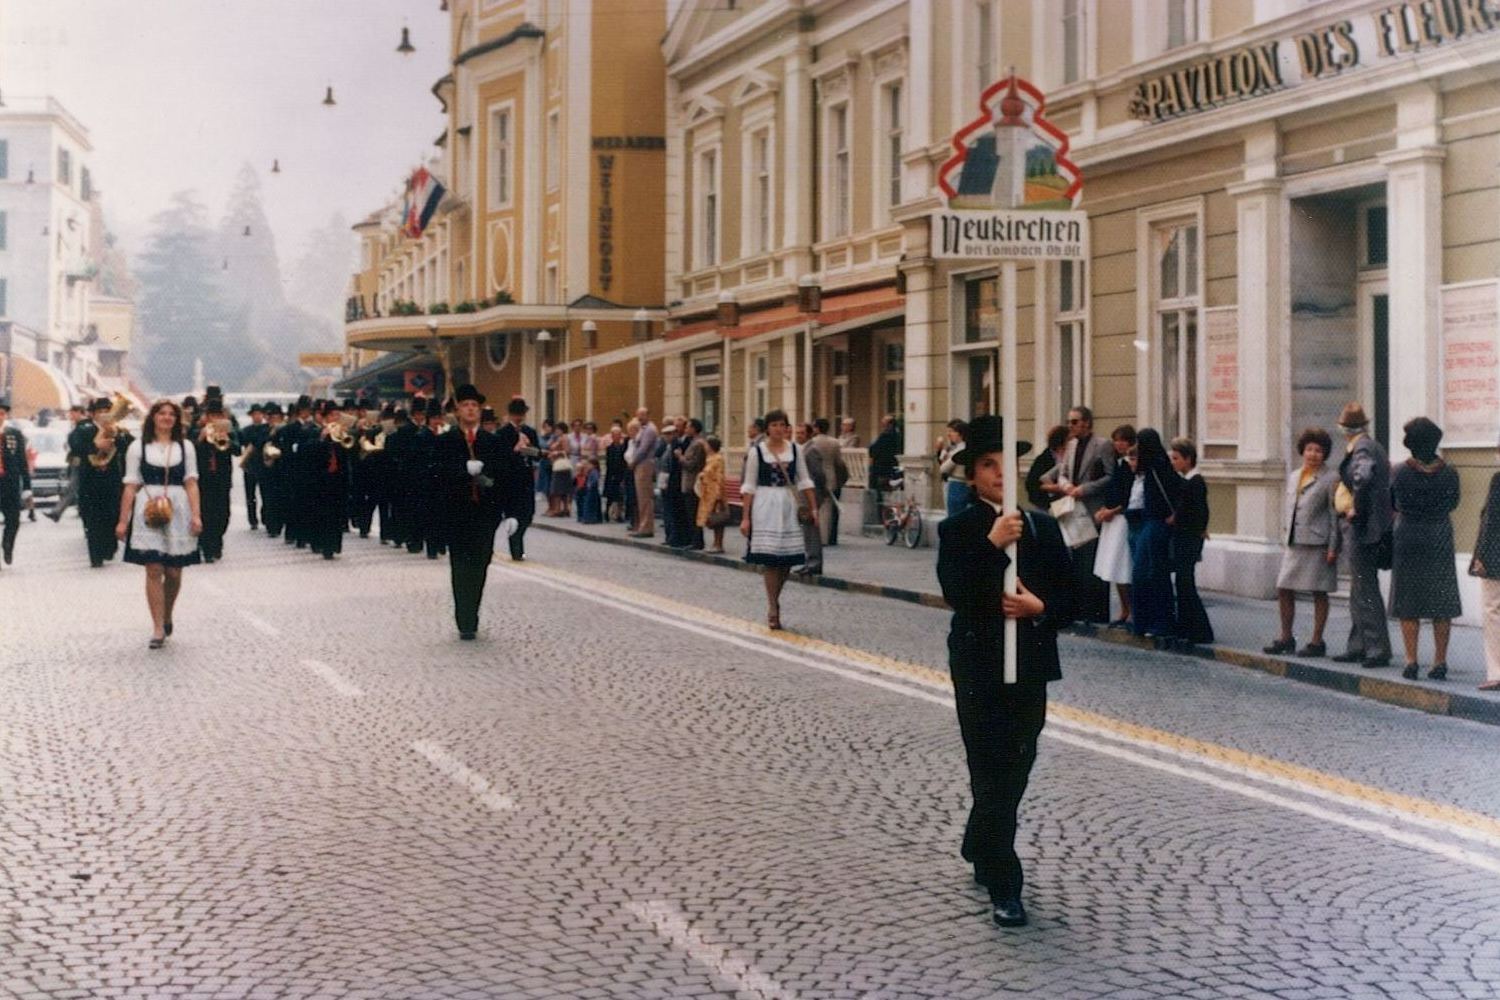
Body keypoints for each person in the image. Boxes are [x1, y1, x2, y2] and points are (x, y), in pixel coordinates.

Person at [935, 414, 1073, 929]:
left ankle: (979, 838)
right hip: (978, 662)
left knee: (1017, 763)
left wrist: (1041, 608)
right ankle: (1005, 882)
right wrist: (990, 543)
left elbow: (1073, 598)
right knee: (990, 766)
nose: (998, 474)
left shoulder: (1041, 525)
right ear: (971, 477)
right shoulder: (959, 529)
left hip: (1031, 662)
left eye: (1004, 465)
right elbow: (956, 592)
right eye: (987, 466)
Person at [116, 400, 202, 648]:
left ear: (176, 419)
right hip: (148, 507)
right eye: (161, 413)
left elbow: (192, 483)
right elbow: (130, 485)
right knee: (154, 568)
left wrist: (196, 515)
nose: (166, 418)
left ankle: (167, 614)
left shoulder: (186, 447)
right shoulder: (138, 447)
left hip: (178, 508)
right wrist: (123, 521)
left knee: (174, 571)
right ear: (152, 417)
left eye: (171, 414)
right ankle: (156, 627)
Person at [1388, 417, 1462, 680]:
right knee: (1441, 601)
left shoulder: (1399, 472)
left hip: (1408, 535)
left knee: (1409, 601)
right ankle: (1439, 661)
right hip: (1440, 535)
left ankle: (1411, 660)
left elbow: (1393, 502)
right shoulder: (1450, 472)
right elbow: (1454, 503)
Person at [434, 385, 504, 640]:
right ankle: (465, 620)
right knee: (460, 566)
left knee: (480, 565)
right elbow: (436, 474)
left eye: (475, 405)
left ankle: (472, 609)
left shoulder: (492, 442)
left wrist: (509, 511)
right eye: (466, 405)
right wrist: (463, 470)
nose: (471, 409)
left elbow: (505, 476)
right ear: (458, 410)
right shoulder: (446, 441)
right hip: (457, 514)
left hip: (485, 515)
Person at [1265, 428, 1341, 658]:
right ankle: (1286, 638)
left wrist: (1333, 547)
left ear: (1325, 453)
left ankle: (1317, 642)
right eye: (1309, 449)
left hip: (1318, 545)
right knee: (1283, 588)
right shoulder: (1295, 476)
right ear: (1302, 451)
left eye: (1318, 450)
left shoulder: (1331, 477)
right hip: (1295, 542)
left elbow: (1333, 513)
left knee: (1319, 592)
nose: (1313, 454)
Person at [1038, 407, 1116, 624]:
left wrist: (1085, 489)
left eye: (1074, 422)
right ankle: (1079, 610)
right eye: (1069, 421)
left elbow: (1111, 476)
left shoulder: (1102, 445)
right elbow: (1061, 472)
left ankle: (1097, 613)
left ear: (1087, 423)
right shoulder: (1071, 445)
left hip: (1092, 508)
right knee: (1076, 560)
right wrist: (1066, 485)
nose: (1070, 426)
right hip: (1071, 507)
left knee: (1092, 561)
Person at [1331, 403, 1394, 668]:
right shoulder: (1367, 444)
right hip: (1367, 525)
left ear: (1344, 428)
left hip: (1362, 526)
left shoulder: (1362, 447)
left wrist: (1357, 505)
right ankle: (1359, 645)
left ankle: (1377, 648)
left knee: (1364, 586)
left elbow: (1363, 476)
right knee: (1359, 587)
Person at [740, 409, 816, 630]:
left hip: (788, 504)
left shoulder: (795, 450)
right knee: (771, 559)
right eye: (774, 425)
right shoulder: (758, 452)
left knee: (787, 560)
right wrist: (745, 518)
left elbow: (804, 479)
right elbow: (749, 486)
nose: (779, 429)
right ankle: (773, 606)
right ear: (767, 428)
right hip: (765, 505)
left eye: (782, 425)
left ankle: (775, 597)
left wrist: (813, 508)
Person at [1130, 428, 1181, 641]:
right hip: (1150, 522)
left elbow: (1176, 491)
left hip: (1156, 524)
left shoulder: (1157, 466)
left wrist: (1174, 515)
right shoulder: (1155, 466)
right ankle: (1149, 621)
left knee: (1151, 573)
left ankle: (1156, 621)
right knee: (1146, 573)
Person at [77, 397, 133, 568]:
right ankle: (96, 556)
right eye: (100, 412)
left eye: (107, 411)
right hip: (90, 483)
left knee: (111, 517)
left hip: (112, 482)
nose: (104, 415)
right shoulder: (84, 429)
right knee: (92, 521)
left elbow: (132, 446)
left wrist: (119, 437)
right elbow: (75, 446)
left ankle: (109, 546)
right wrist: (95, 446)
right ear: (93, 414)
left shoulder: (119, 430)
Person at [1168, 437, 1213, 647]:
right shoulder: (1187, 480)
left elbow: (1200, 512)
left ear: (1188, 459)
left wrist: (1179, 520)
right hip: (1185, 537)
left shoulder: (1196, 482)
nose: (1173, 462)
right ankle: (1187, 626)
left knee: (1186, 583)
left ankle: (1199, 630)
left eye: (1176, 458)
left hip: (1189, 538)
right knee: (1183, 583)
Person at [1091, 444, 1136, 626]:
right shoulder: (1117, 465)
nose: (1118, 445)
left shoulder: (1130, 468)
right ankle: (1124, 608)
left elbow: (1129, 498)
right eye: (1115, 441)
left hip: (1122, 519)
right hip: (1111, 518)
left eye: (1121, 441)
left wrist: (1113, 511)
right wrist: (1103, 509)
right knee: (1113, 566)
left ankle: (1132, 609)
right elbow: (1110, 491)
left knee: (1123, 565)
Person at [193, 396, 239, 563]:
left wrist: (226, 438)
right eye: (212, 415)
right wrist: (201, 438)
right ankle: (207, 547)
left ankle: (217, 541)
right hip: (203, 479)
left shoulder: (229, 430)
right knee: (206, 513)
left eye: (218, 415)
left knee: (223, 514)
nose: (215, 419)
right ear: (206, 416)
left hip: (222, 478)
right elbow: (190, 450)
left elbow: (237, 450)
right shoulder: (196, 430)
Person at [1470, 432, 1500, 692]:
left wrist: (1481, 556)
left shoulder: (1498, 480)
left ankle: (1497, 672)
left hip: (1497, 559)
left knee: (1493, 612)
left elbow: (1491, 523)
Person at [494, 397, 541, 561]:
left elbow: (538, 454)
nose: (518, 417)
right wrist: (515, 450)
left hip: (526, 479)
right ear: (510, 415)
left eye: (521, 414)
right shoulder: (503, 433)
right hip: (510, 480)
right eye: (515, 414)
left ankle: (518, 540)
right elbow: (500, 457)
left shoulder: (530, 432)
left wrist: (527, 450)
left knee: (528, 514)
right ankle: (516, 548)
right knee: (513, 515)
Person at [807, 419, 848, 546]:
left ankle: (819, 536)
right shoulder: (834, 442)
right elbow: (839, 462)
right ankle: (830, 537)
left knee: (816, 507)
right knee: (829, 509)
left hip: (814, 476)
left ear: (816, 428)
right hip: (831, 476)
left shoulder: (811, 443)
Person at [0, 399, 31, 567]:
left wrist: (27, 486)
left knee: (13, 519)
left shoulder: (14, 434)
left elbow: (22, 461)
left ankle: (7, 545)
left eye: (2, 414)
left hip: (9, 484)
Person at [46, 404, 89, 522]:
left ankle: (57, 512)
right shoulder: (78, 426)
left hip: (82, 463)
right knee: (74, 488)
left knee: (72, 488)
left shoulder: (84, 426)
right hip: (76, 462)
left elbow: (79, 446)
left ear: (80, 412)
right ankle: (59, 512)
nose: (70, 415)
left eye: (72, 413)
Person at [793, 423, 825, 577]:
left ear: (809, 434)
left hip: (811, 494)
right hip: (802, 494)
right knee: (806, 529)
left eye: (801, 433)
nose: (798, 435)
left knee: (811, 528)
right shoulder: (800, 449)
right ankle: (808, 561)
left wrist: (817, 494)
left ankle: (814, 563)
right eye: (797, 433)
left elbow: (818, 475)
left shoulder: (812, 450)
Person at [629, 408, 659, 537]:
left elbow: (643, 449)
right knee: (641, 497)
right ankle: (643, 525)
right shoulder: (643, 429)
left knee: (644, 497)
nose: (640, 417)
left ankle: (646, 527)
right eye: (638, 415)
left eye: (642, 415)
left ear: (648, 415)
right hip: (641, 464)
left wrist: (633, 461)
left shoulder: (650, 430)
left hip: (645, 464)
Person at [679, 419, 707, 550]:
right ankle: (694, 540)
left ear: (694, 429)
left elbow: (692, 465)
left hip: (693, 483)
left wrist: (681, 457)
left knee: (694, 513)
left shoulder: (698, 444)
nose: (686, 429)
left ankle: (697, 541)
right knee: (691, 513)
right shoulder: (692, 443)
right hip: (688, 483)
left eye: (689, 427)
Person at [1025, 425, 1068, 511]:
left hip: (1065, 504)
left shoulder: (1071, 456)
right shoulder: (1043, 459)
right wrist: (1055, 487)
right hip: (1045, 504)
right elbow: (1032, 483)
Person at [696, 435, 728, 554]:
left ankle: (719, 543)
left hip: (715, 492)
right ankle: (715, 542)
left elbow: (719, 476)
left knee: (718, 519)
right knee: (712, 518)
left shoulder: (718, 459)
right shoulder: (710, 458)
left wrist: (719, 495)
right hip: (707, 492)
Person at [240, 403, 269, 530]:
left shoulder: (267, 428)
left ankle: (265, 517)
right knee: (250, 495)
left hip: (263, 464)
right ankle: (252, 520)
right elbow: (242, 441)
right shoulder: (246, 430)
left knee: (265, 494)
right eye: (254, 414)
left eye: (259, 414)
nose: (257, 416)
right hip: (250, 465)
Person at [937, 419, 971, 517]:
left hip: (956, 484)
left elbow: (943, 469)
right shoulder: (961, 448)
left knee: (954, 516)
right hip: (965, 485)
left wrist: (944, 458)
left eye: (952, 431)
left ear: (960, 434)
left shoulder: (958, 450)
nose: (949, 434)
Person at [868, 414, 902, 504]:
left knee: (880, 492)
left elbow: (873, 449)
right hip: (889, 466)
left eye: (884, 424)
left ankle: (881, 511)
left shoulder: (886, 436)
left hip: (882, 468)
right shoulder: (897, 435)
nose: (883, 427)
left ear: (890, 425)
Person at [603, 423, 629, 523]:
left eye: (618, 434)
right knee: (610, 496)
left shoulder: (623, 447)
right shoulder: (609, 448)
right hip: (611, 474)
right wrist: (611, 474)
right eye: (614, 435)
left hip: (621, 473)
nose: (616, 437)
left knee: (620, 496)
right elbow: (609, 462)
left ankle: (618, 514)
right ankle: (607, 513)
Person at [575, 459, 603, 524]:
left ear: (594, 465)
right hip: (589, 490)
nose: (588, 466)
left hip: (592, 490)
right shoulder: (590, 472)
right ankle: (588, 518)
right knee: (588, 504)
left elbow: (595, 480)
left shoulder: (594, 472)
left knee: (590, 505)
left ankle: (590, 518)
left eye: (589, 464)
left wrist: (590, 484)